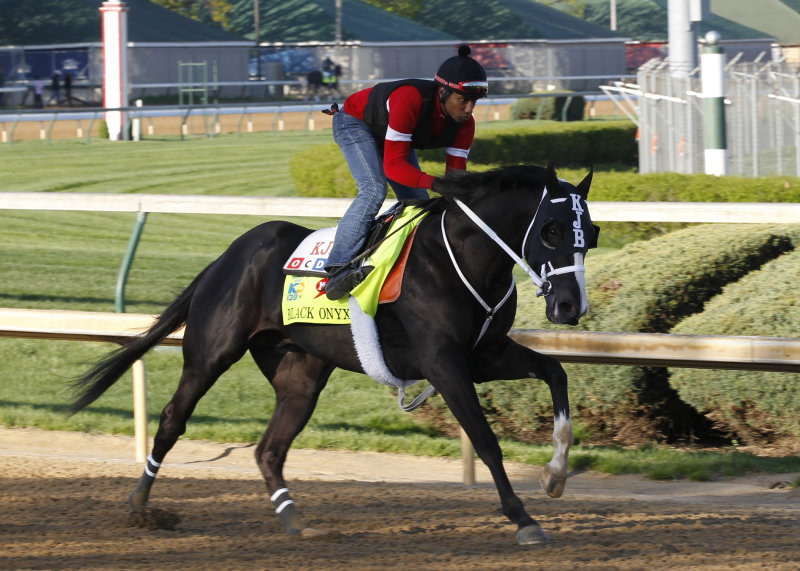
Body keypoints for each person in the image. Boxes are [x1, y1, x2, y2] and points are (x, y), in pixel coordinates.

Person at [323, 44, 488, 300]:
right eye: (463, 100)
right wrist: (437, 183)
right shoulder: (410, 98)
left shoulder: (466, 125)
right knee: (374, 189)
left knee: (419, 205)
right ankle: (337, 269)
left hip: (392, 131)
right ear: (442, 92)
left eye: (474, 101)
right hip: (354, 121)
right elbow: (393, 167)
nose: (468, 109)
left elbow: (455, 180)